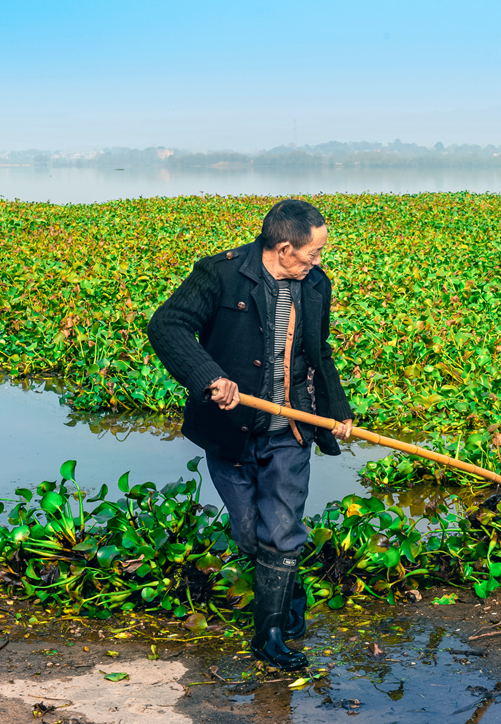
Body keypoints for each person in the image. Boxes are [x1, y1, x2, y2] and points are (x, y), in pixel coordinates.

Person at [147, 199, 353, 670]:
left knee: (280, 532)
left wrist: (337, 408)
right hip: (231, 430)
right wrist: (208, 376)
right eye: (313, 253)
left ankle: (269, 636)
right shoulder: (220, 274)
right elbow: (167, 325)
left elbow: (317, 351)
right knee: (249, 534)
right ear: (284, 248)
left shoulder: (315, 284)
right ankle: (289, 590)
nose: (319, 261)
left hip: (292, 429)